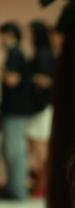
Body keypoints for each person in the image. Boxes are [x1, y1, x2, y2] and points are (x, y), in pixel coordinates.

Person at [0, 22, 33, 199]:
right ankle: (14, 188)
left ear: (9, 34)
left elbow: (12, 80)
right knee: (12, 150)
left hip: (16, 110)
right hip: (15, 110)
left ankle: (18, 190)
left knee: (15, 151)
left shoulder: (14, 53)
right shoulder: (16, 53)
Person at [26, 20, 56, 197]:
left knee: (40, 147)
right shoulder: (46, 53)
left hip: (42, 107)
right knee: (37, 146)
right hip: (42, 106)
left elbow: (45, 80)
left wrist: (28, 78)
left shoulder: (43, 54)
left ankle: (44, 186)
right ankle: (42, 184)